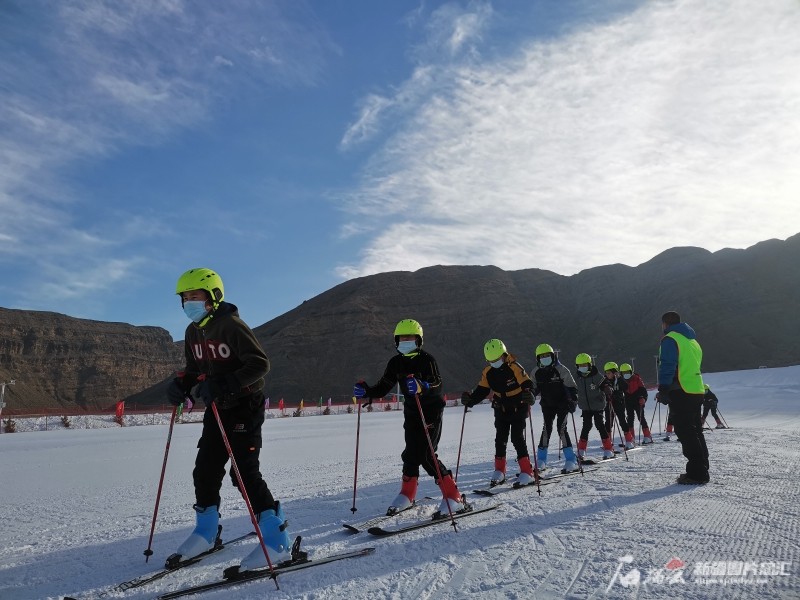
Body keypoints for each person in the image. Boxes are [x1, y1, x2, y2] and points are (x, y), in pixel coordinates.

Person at [166, 268, 292, 570]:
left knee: (244, 473)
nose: (188, 303)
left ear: (213, 297)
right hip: (217, 409)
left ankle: (277, 541)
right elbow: (195, 367)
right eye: (184, 298)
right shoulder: (192, 331)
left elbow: (260, 364)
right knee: (205, 470)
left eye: (194, 297)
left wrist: (224, 384)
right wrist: (182, 383)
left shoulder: (232, 326)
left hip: (244, 406)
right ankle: (206, 533)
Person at [353, 319, 466, 517]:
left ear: (419, 340)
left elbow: (437, 384)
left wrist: (423, 386)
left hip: (430, 410)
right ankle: (407, 494)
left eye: (410, 338)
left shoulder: (427, 360)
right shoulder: (395, 362)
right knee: (411, 453)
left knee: (427, 455)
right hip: (413, 411)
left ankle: (453, 496)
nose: (406, 341)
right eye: (402, 338)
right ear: (396, 340)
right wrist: (367, 391)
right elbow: (383, 386)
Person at [461, 339, 536, 487]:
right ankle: (500, 471)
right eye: (491, 360)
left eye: (497, 359)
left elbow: (527, 383)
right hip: (500, 409)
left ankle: (527, 472)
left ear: (504, 355)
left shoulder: (514, 367)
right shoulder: (488, 372)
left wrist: (531, 394)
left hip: (518, 408)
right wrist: (470, 400)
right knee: (500, 440)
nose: (494, 362)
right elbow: (482, 390)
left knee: (517, 438)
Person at [656, 310, 710, 484]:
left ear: (666, 323)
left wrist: (663, 388)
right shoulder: (693, 341)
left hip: (681, 390)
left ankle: (697, 474)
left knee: (685, 431)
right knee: (696, 431)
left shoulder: (671, 339)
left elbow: (668, 364)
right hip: (696, 389)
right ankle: (702, 468)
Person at [532, 343, 579, 473]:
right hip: (547, 404)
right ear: (538, 358)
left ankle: (571, 460)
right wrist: (529, 395)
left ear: (552, 356)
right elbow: (533, 388)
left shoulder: (561, 369)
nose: (545, 358)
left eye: (547, 355)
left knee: (561, 429)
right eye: (542, 356)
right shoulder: (536, 372)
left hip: (562, 404)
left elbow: (572, 387)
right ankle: (541, 460)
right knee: (546, 429)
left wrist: (573, 400)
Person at [573, 353, 615, 461]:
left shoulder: (596, 375)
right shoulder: (577, 377)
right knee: (586, 426)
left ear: (589, 364)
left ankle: (608, 449)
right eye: (580, 365)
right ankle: (581, 451)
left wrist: (607, 388)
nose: (583, 367)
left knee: (599, 425)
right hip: (585, 406)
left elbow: (605, 383)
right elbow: (572, 388)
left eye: (585, 364)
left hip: (597, 405)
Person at [603, 362, 636, 450]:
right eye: (606, 373)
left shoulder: (619, 380)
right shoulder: (604, 380)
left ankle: (629, 441)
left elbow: (625, 387)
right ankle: (608, 443)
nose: (607, 374)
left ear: (614, 373)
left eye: (609, 373)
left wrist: (620, 378)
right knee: (608, 423)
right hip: (608, 404)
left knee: (622, 421)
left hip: (619, 404)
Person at [619, 363, 653, 444]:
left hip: (638, 400)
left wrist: (643, 398)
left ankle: (647, 436)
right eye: (623, 373)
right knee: (630, 419)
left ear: (631, 371)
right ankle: (631, 438)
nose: (625, 374)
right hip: (628, 401)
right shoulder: (621, 380)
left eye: (627, 372)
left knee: (641, 418)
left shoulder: (636, 378)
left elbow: (643, 391)